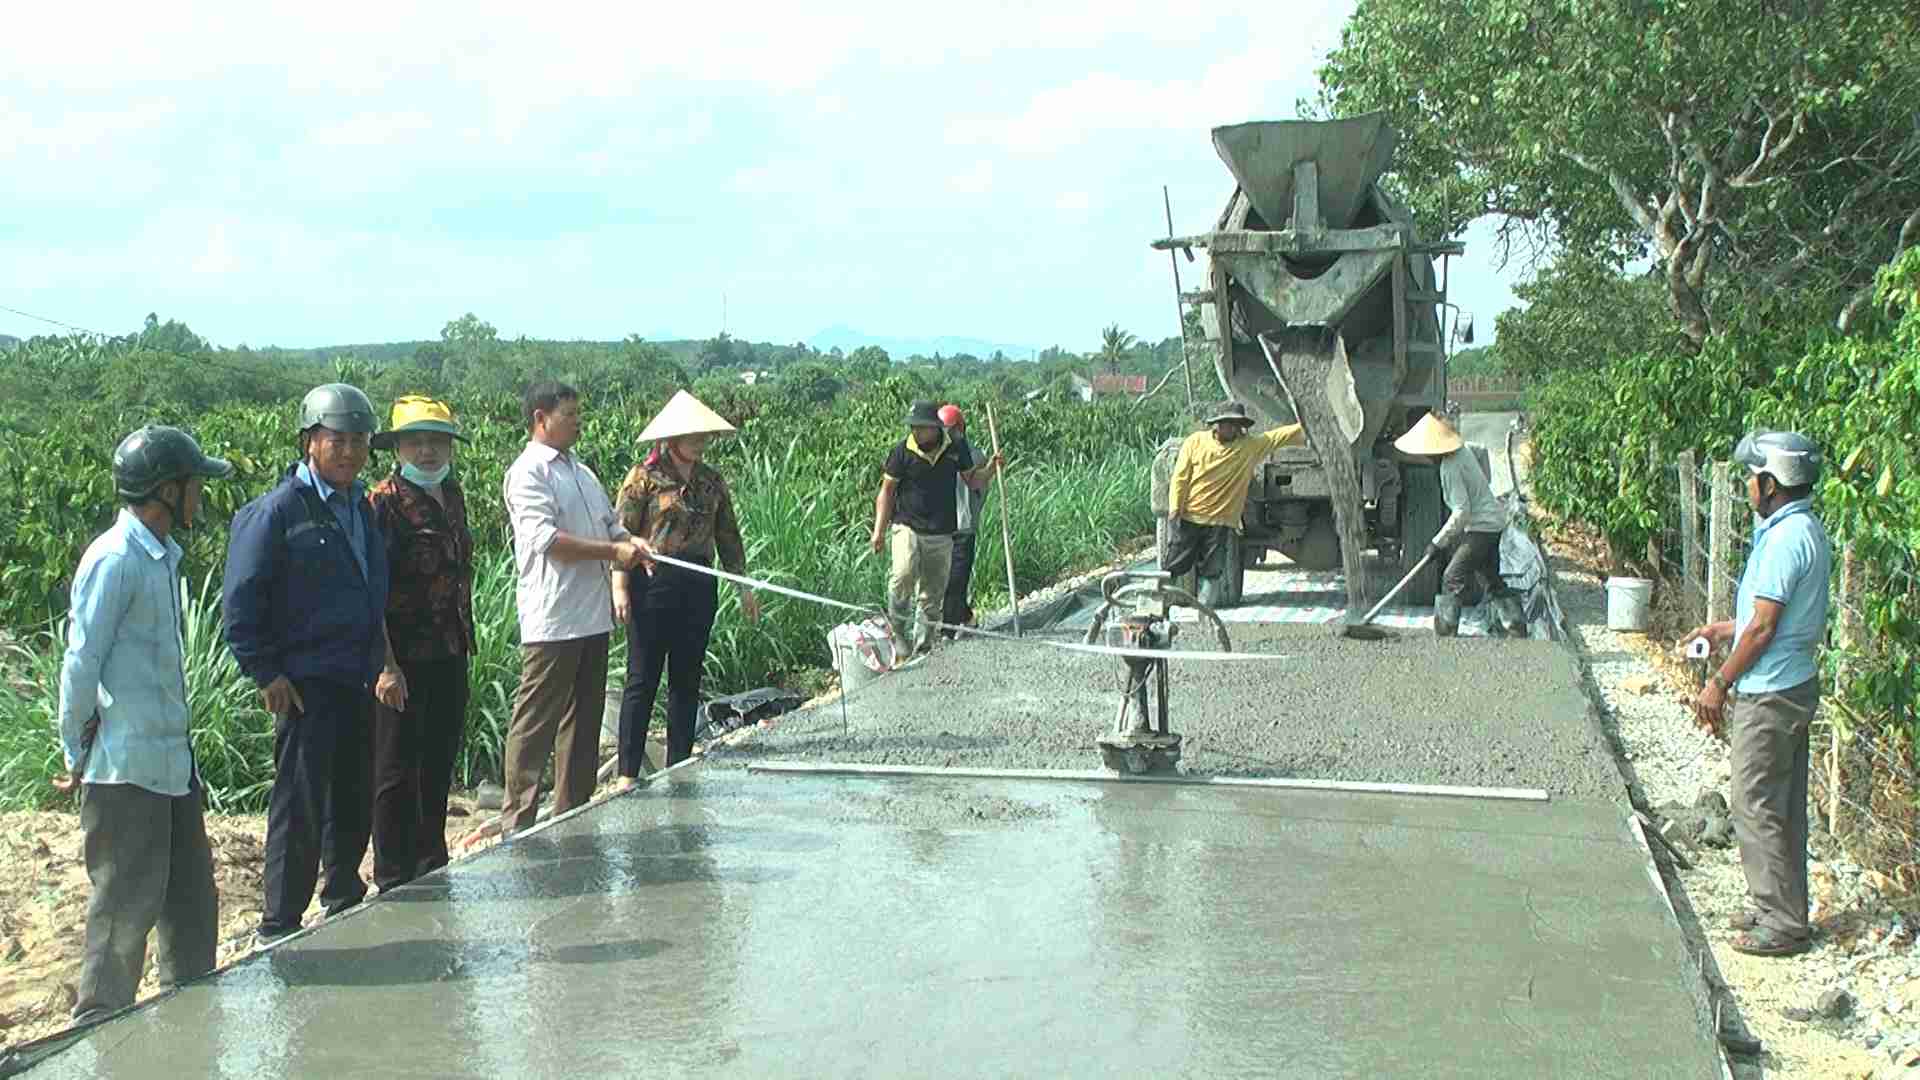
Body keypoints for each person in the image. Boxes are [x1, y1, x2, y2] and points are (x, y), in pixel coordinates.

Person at [59, 425, 232, 1022]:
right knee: (122, 912)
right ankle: (97, 1029)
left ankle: (187, 1027)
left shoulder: (160, 557)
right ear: (166, 490)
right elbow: (81, 662)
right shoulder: (114, 560)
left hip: (171, 766)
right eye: (194, 486)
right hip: (126, 768)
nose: (200, 497)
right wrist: (73, 752)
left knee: (191, 905)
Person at [223, 384, 394, 944]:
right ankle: (280, 923)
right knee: (298, 803)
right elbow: (241, 603)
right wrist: (265, 673)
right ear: (309, 442)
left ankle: (342, 892)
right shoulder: (274, 513)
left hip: (355, 677)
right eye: (337, 440)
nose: (349, 452)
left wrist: (382, 661)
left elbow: (372, 590)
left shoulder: (360, 508)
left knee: (351, 793)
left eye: (359, 442)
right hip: (303, 683)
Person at [1682, 430, 1830, 958]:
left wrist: (1719, 685)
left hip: (1769, 693)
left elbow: (1765, 628)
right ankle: (1781, 906)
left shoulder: (1788, 539)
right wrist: (1723, 630)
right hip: (1789, 683)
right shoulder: (1797, 530)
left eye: (1752, 477)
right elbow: (1761, 620)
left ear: (1770, 483)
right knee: (1781, 803)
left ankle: (1782, 922)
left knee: (1755, 802)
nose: (1747, 485)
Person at [499, 381, 650, 837]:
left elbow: (611, 525)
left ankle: (573, 813)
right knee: (536, 722)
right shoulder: (528, 473)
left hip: (591, 616)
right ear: (540, 419)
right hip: (553, 619)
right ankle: (518, 824)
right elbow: (548, 542)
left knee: (584, 721)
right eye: (569, 414)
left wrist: (631, 542)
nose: (578, 421)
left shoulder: (581, 472)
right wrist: (612, 553)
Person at [612, 391, 761, 783]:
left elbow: (728, 535)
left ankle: (678, 761)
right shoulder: (643, 479)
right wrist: (619, 585)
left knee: (687, 676)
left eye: (704, 435)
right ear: (672, 438)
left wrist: (743, 585)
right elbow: (621, 534)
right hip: (652, 581)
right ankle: (628, 771)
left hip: (698, 581)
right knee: (642, 676)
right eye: (692, 435)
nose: (700, 441)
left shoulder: (712, 481)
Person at [366, 395, 475, 891]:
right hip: (402, 658)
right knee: (394, 769)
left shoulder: (451, 493)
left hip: (450, 651)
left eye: (437, 442)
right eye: (416, 442)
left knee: (437, 760)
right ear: (398, 449)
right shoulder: (382, 502)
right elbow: (371, 593)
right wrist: (386, 666)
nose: (428, 452)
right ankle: (392, 876)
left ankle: (431, 861)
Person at [869, 400, 1000, 659]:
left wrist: (991, 470)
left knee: (931, 595)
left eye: (922, 427)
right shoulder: (902, 452)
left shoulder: (955, 448)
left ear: (936, 428)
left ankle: (922, 649)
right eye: (913, 427)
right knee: (903, 574)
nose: (916, 432)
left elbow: (972, 479)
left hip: (941, 532)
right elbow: (886, 492)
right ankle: (898, 632)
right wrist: (878, 531)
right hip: (907, 525)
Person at [1392, 412, 1523, 637]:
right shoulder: (1463, 452)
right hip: (1491, 523)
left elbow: (1462, 511)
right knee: (1491, 579)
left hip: (1482, 528)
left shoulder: (1450, 467)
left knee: (1452, 577)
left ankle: (1445, 633)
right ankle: (1515, 627)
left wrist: (1438, 543)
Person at [1162, 402, 1304, 606]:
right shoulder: (1195, 443)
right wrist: (1175, 508)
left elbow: (1278, 437)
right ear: (1216, 425)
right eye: (1230, 424)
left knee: (1213, 571)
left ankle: (1205, 614)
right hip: (1190, 517)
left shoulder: (1247, 447)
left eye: (1238, 425)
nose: (1235, 429)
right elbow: (1180, 478)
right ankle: (1159, 608)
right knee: (1174, 565)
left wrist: (1310, 425)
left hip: (1220, 523)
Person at [936, 403, 996, 638]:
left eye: (950, 430)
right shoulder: (936, 456)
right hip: (939, 528)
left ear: (959, 429)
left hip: (963, 527)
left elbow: (976, 482)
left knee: (956, 580)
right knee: (944, 580)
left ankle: (948, 633)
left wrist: (991, 469)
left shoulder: (973, 455)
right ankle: (967, 618)